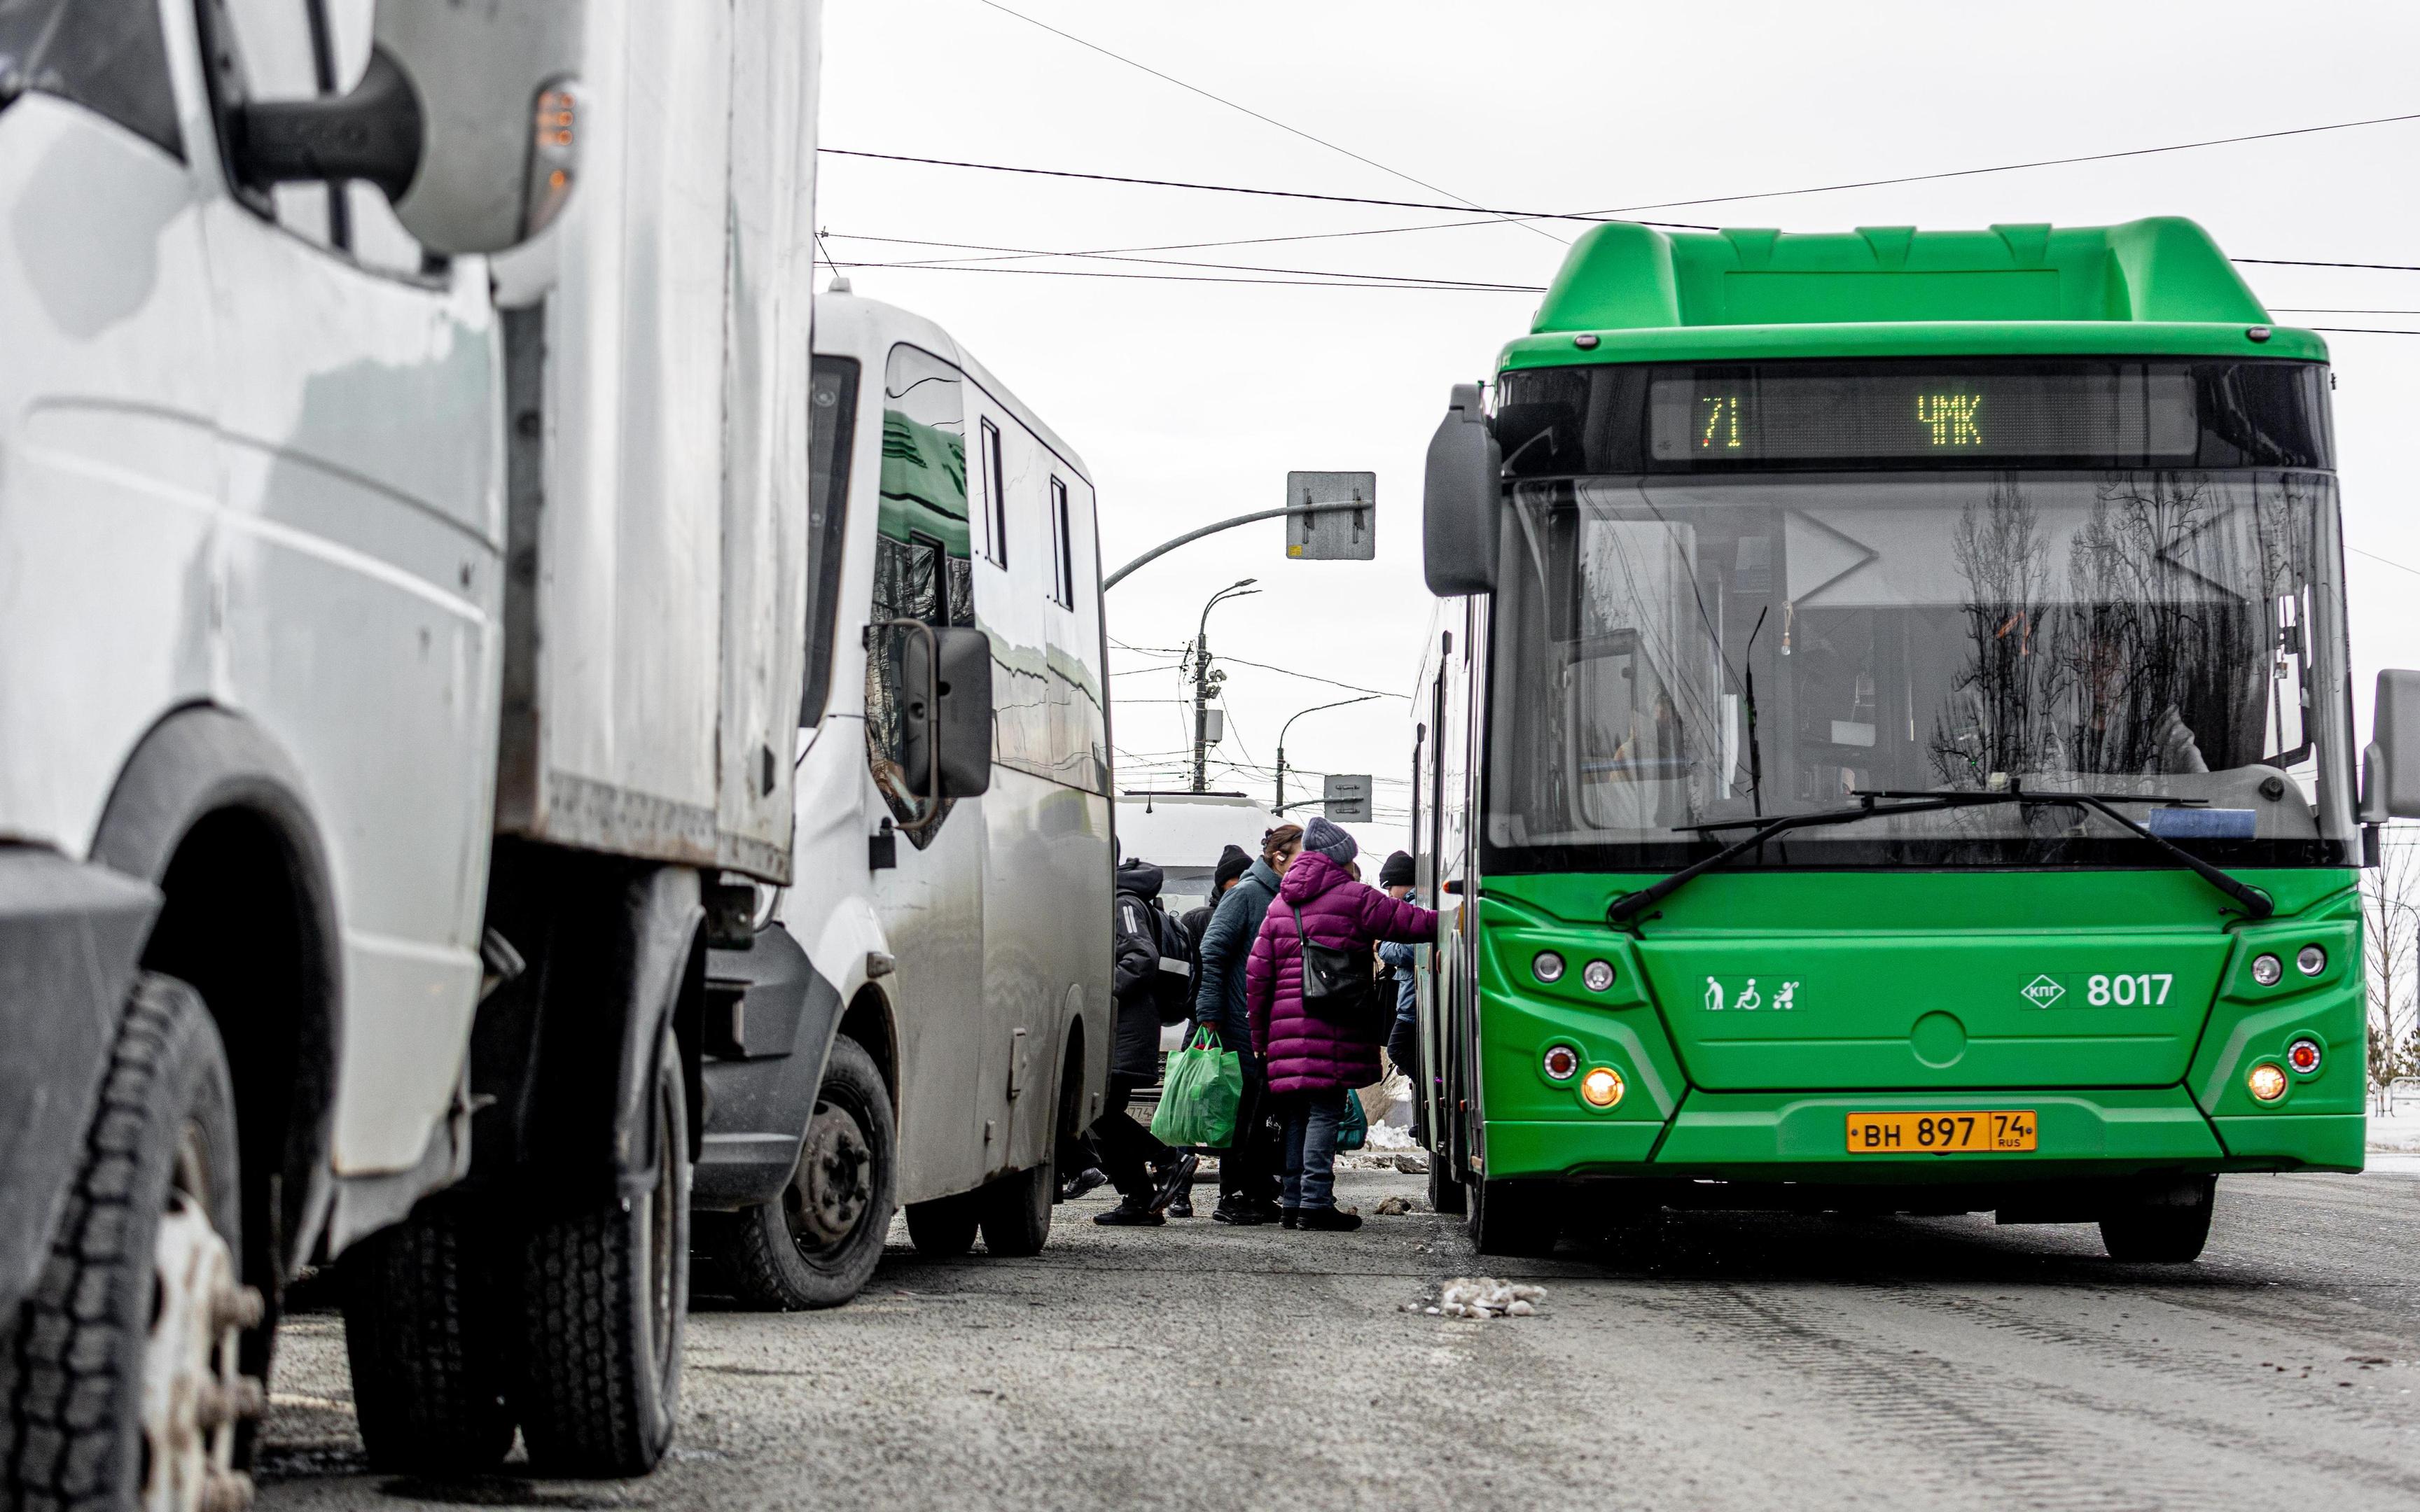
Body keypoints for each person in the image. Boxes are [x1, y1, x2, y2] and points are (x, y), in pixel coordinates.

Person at [1246, 818, 1438, 1232]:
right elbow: (1411, 923)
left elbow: (1257, 977)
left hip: (1283, 1034)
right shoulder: (1353, 897)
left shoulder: (1279, 906)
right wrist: (1461, 916)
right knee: (1325, 1111)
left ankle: (1293, 1202)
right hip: (1332, 1023)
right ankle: (1315, 1202)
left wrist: (1261, 1038)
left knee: (1297, 1115)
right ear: (1340, 860)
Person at [1190, 824, 1302, 1225]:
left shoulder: (1281, 896)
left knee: (1261, 1112)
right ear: (1279, 856)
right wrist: (1210, 1014)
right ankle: (1233, 1196)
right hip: (1238, 1022)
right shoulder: (1247, 894)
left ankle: (1256, 1192)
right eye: (1299, 855)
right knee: (1243, 1113)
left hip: (1266, 1025)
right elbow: (1211, 953)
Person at [1094, 855, 1198, 1225]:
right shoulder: (1124, 900)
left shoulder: (1124, 902)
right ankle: (1139, 1199)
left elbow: (1141, 958)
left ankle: (1168, 1160)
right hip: (1126, 1026)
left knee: (1098, 1113)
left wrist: (1099, 992)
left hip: (1126, 1026)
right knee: (1105, 1114)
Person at [1164, 842, 1251, 1217]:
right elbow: (1186, 974)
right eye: (1237, 878)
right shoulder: (1199, 920)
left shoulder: (1241, 914)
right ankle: (1181, 1191)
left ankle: (1226, 1195)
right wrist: (1195, 1011)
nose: (1242, 884)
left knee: (1231, 1112)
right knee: (1192, 1107)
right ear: (1223, 883)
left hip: (1228, 1024)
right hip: (1205, 1026)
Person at [1374, 850, 1421, 1086]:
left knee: (1398, 1049)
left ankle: (1435, 1086)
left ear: (1401, 883)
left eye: (1389, 887)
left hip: (1412, 1004)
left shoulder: (1413, 907)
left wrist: (1382, 947)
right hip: (1410, 1000)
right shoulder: (1412, 906)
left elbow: (1412, 949)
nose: (1389, 894)